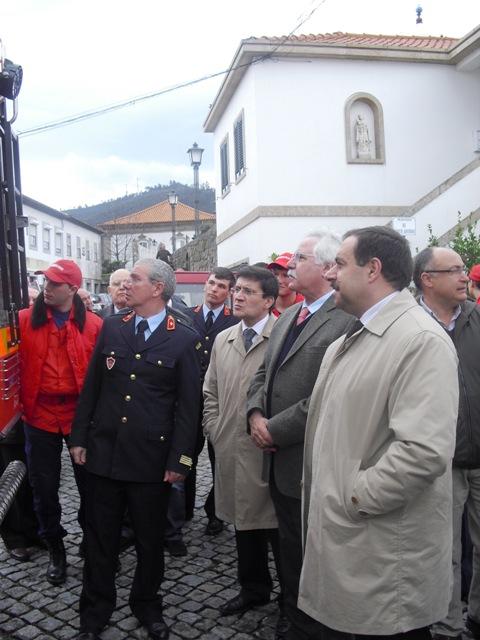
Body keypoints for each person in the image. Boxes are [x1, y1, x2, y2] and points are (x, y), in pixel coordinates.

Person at [298, 226, 459, 640]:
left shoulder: (420, 340)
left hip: (382, 554)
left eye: (339, 264)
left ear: (373, 269)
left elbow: (422, 452)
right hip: (350, 546)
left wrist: (352, 497)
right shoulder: (349, 339)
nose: (330, 274)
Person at [69, 258, 201, 640]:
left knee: (148, 542)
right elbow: (92, 387)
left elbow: (188, 409)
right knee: (99, 540)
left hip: (151, 463)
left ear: (158, 288)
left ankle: (146, 605)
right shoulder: (112, 327)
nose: (126, 286)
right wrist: (79, 438)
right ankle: (94, 613)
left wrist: (182, 461)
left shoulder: (184, 337)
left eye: (135, 280)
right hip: (104, 457)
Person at [247, 231, 354, 639]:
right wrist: (255, 413)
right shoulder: (290, 315)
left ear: (327, 268)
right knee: (289, 549)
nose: (288, 267)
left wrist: (274, 428)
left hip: (310, 461)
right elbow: (263, 373)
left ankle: (314, 624)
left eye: (300, 259)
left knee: (315, 553)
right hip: (277, 459)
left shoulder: (345, 321)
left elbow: (327, 396)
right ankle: (292, 616)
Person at [203, 266, 284, 625]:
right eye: (237, 290)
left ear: (269, 300)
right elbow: (210, 391)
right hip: (231, 447)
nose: (237, 296)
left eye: (248, 292)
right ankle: (253, 588)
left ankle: (290, 603)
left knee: (276, 529)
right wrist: (215, 429)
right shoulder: (224, 339)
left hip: (268, 450)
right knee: (242, 523)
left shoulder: (281, 337)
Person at [19, 259, 103, 585]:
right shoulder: (24, 320)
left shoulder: (94, 325)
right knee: (44, 488)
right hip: (38, 415)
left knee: (91, 486)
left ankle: (91, 541)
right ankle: (55, 548)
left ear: (72, 289)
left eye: (54, 284)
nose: (47, 288)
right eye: (45, 282)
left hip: (80, 417)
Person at [413, 247, 480, 640]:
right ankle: (447, 623)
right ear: (427, 278)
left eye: (462, 270)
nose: (463, 277)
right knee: (444, 550)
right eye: (453, 270)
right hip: (439, 460)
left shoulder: (476, 318)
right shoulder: (410, 325)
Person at [181, 267, 238, 541]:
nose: (214, 289)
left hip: (219, 398)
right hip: (190, 399)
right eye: (212, 283)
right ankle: (183, 508)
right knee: (186, 455)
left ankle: (216, 511)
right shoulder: (186, 316)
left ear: (229, 293)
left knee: (220, 458)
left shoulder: (234, 321)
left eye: (222, 286)